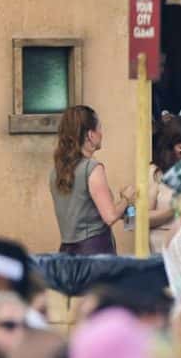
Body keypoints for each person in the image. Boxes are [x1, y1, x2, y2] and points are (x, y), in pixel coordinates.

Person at [47, 105, 125, 256]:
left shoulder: (55, 172)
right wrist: (127, 199)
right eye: (99, 128)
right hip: (95, 251)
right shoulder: (92, 168)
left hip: (66, 252)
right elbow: (110, 216)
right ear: (90, 134)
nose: (101, 133)